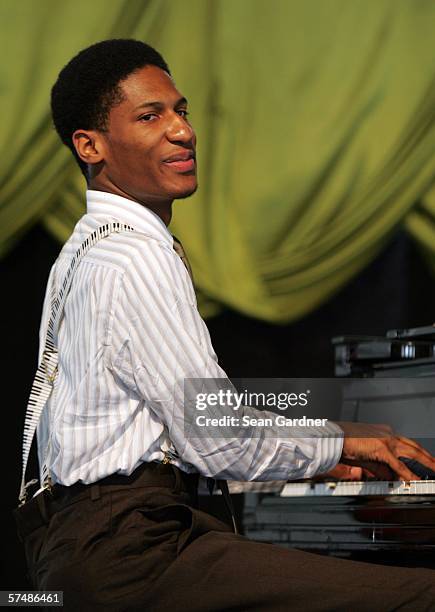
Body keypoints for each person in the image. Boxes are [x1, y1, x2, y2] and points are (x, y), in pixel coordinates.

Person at [15, 39, 435, 611]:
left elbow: (203, 416)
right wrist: (338, 439)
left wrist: (327, 440)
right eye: (149, 116)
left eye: (180, 111)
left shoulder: (86, 252)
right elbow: (218, 439)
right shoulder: (136, 255)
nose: (182, 131)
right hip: (134, 554)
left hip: (81, 553)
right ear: (90, 145)